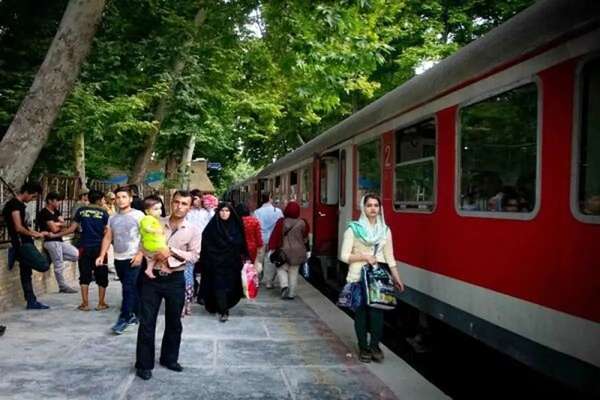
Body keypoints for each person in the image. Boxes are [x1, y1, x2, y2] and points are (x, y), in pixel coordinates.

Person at [135, 190, 201, 381]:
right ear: (171, 203)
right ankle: (144, 364)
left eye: (184, 204)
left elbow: (194, 255)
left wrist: (170, 251)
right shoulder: (155, 221)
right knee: (147, 321)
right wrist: (153, 253)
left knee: (174, 322)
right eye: (176, 202)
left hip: (175, 279)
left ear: (190, 207)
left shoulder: (193, 230)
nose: (179, 207)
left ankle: (169, 359)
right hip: (152, 278)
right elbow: (143, 245)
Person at [339, 194, 404, 363]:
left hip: (377, 277)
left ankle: (375, 346)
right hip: (358, 276)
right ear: (363, 208)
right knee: (361, 313)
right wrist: (364, 256)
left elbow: (390, 257)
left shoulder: (385, 231)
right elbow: (344, 256)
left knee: (377, 313)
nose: (373, 208)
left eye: (376, 205)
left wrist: (396, 277)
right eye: (369, 205)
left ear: (380, 208)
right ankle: (363, 347)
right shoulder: (353, 229)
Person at [96, 187, 145, 334]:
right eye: (118, 197)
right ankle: (137, 314)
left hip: (133, 258)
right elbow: (108, 237)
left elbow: (145, 237)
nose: (120, 200)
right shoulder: (112, 218)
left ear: (130, 199)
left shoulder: (139, 215)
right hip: (119, 258)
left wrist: (140, 254)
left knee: (128, 288)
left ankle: (124, 318)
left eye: (124, 197)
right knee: (130, 288)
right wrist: (101, 255)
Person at [57, 189, 110, 311]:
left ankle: (85, 303)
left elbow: (72, 229)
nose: (103, 201)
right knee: (102, 275)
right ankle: (101, 303)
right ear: (99, 200)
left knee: (84, 274)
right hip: (100, 248)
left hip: (84, 246)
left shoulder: (81, 211)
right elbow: (107, 231)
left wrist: (56, 235)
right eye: (102, 199)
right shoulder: (104, 213)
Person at [1, 182, 50, 309]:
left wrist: (36, 233)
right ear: (27, 192)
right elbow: (18, 227)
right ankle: (17, 254)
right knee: (44, 265)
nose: (33, 199)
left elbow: (23, 226)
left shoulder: (19, 205)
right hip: (22, 244)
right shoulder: (15, 205)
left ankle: (31, 301)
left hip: (25, 242)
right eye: (33, 196)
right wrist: (33, 234)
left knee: (26, 273)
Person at [198, 202, 248, 323]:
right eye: (222, 211)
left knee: (230, 287)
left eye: (227, 211)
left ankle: (223, 305)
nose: (224, 213)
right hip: (215, 264)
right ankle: (223, 310)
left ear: (231, 213)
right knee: (219, 286)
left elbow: (241, 244)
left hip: (232, 264)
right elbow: (205, 243)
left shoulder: (236, 226)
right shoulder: (212, 227)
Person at [38, 191, 78, 293]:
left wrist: (57, 224)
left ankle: (54, 257)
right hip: (51, 241)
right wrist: (59, 224)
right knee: (59, 264)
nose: (59, 203)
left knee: (76, 254)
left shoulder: (56, 211)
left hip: (59, 240)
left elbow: (64, 224)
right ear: (50, 201)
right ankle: (62, 286)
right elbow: (54, 229)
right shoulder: (44, 212)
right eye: (57, 200)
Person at [268, 201, 308, 300]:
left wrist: (272, 247)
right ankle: (291, 293)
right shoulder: (303, 223)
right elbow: (305, 237)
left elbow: (275, 236)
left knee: (281, 268)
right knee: (294, 272)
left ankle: (284, 285)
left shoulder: (281, 222)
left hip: (284, 251)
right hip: (298, 252)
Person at [253, 193, 283, 288]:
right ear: (270, 199)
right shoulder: (278, 211)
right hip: (273, 239)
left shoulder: (257, 212)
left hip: (261, 238)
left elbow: (255, 226)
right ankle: (269, 282)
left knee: (259, 260)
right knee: (270, 260)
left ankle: (257, 280)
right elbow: (281, 224)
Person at [139, 196, 169, 280]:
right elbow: (146, 227)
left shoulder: (154, 219)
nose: (159, 211)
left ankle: (149, 269)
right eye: (156, 209)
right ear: (147, 211)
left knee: (153, 258)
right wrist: (155, 231)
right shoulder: (147, 218)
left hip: (154, 242)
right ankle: (163, 267)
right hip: (152, 242)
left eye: (160, 208)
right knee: (165, 252)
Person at [235, 203, 263, 270]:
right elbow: (259, 238)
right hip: (252, 249)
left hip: (237, 249)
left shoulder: (235, 221)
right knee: (250, 269)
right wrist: (259, 249)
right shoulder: (254, 221)